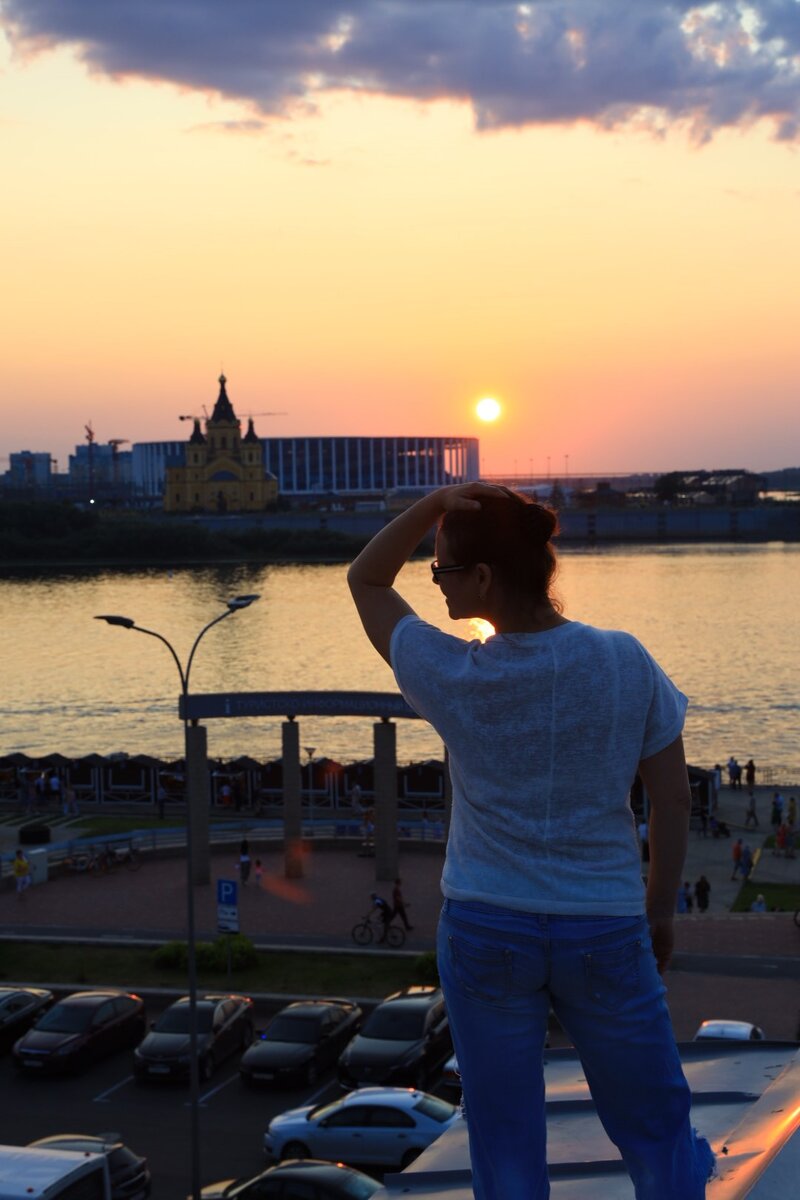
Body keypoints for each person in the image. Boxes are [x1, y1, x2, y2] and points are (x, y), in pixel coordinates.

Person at [347, 483, 714, 1199]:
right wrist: (660, 910)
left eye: (443, 568)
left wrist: (433, 504)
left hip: (487, 925)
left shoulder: (453, 674)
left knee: (504, 1131)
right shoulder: (624, 661)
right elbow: (672, 798)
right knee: (654, 1120)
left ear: (482, 578)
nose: (436, 584)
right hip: (604, 924)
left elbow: (365, 579)